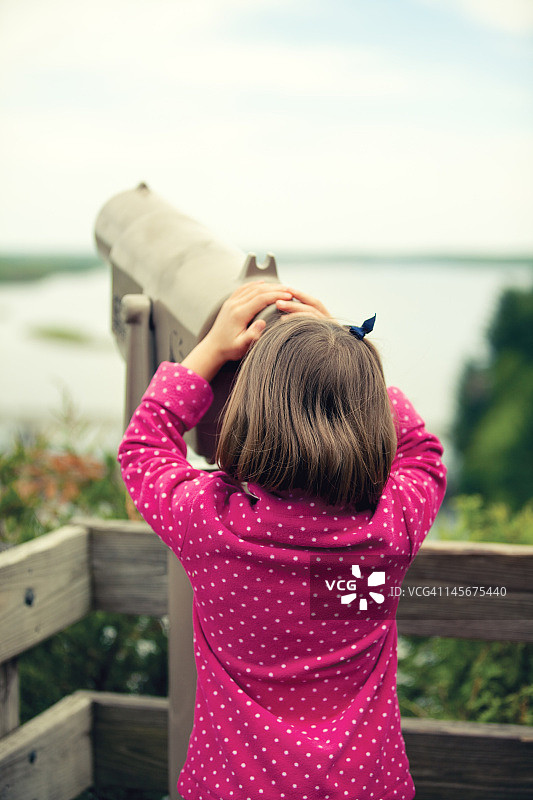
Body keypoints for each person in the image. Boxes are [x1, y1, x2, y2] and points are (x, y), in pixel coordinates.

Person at [117, 281, 447, 800]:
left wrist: (211, 350)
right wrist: (345, 353)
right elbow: (423, 454)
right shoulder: (390, 526)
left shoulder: (211, 523)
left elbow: (143, 448)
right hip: (364, 787)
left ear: (247, 413)